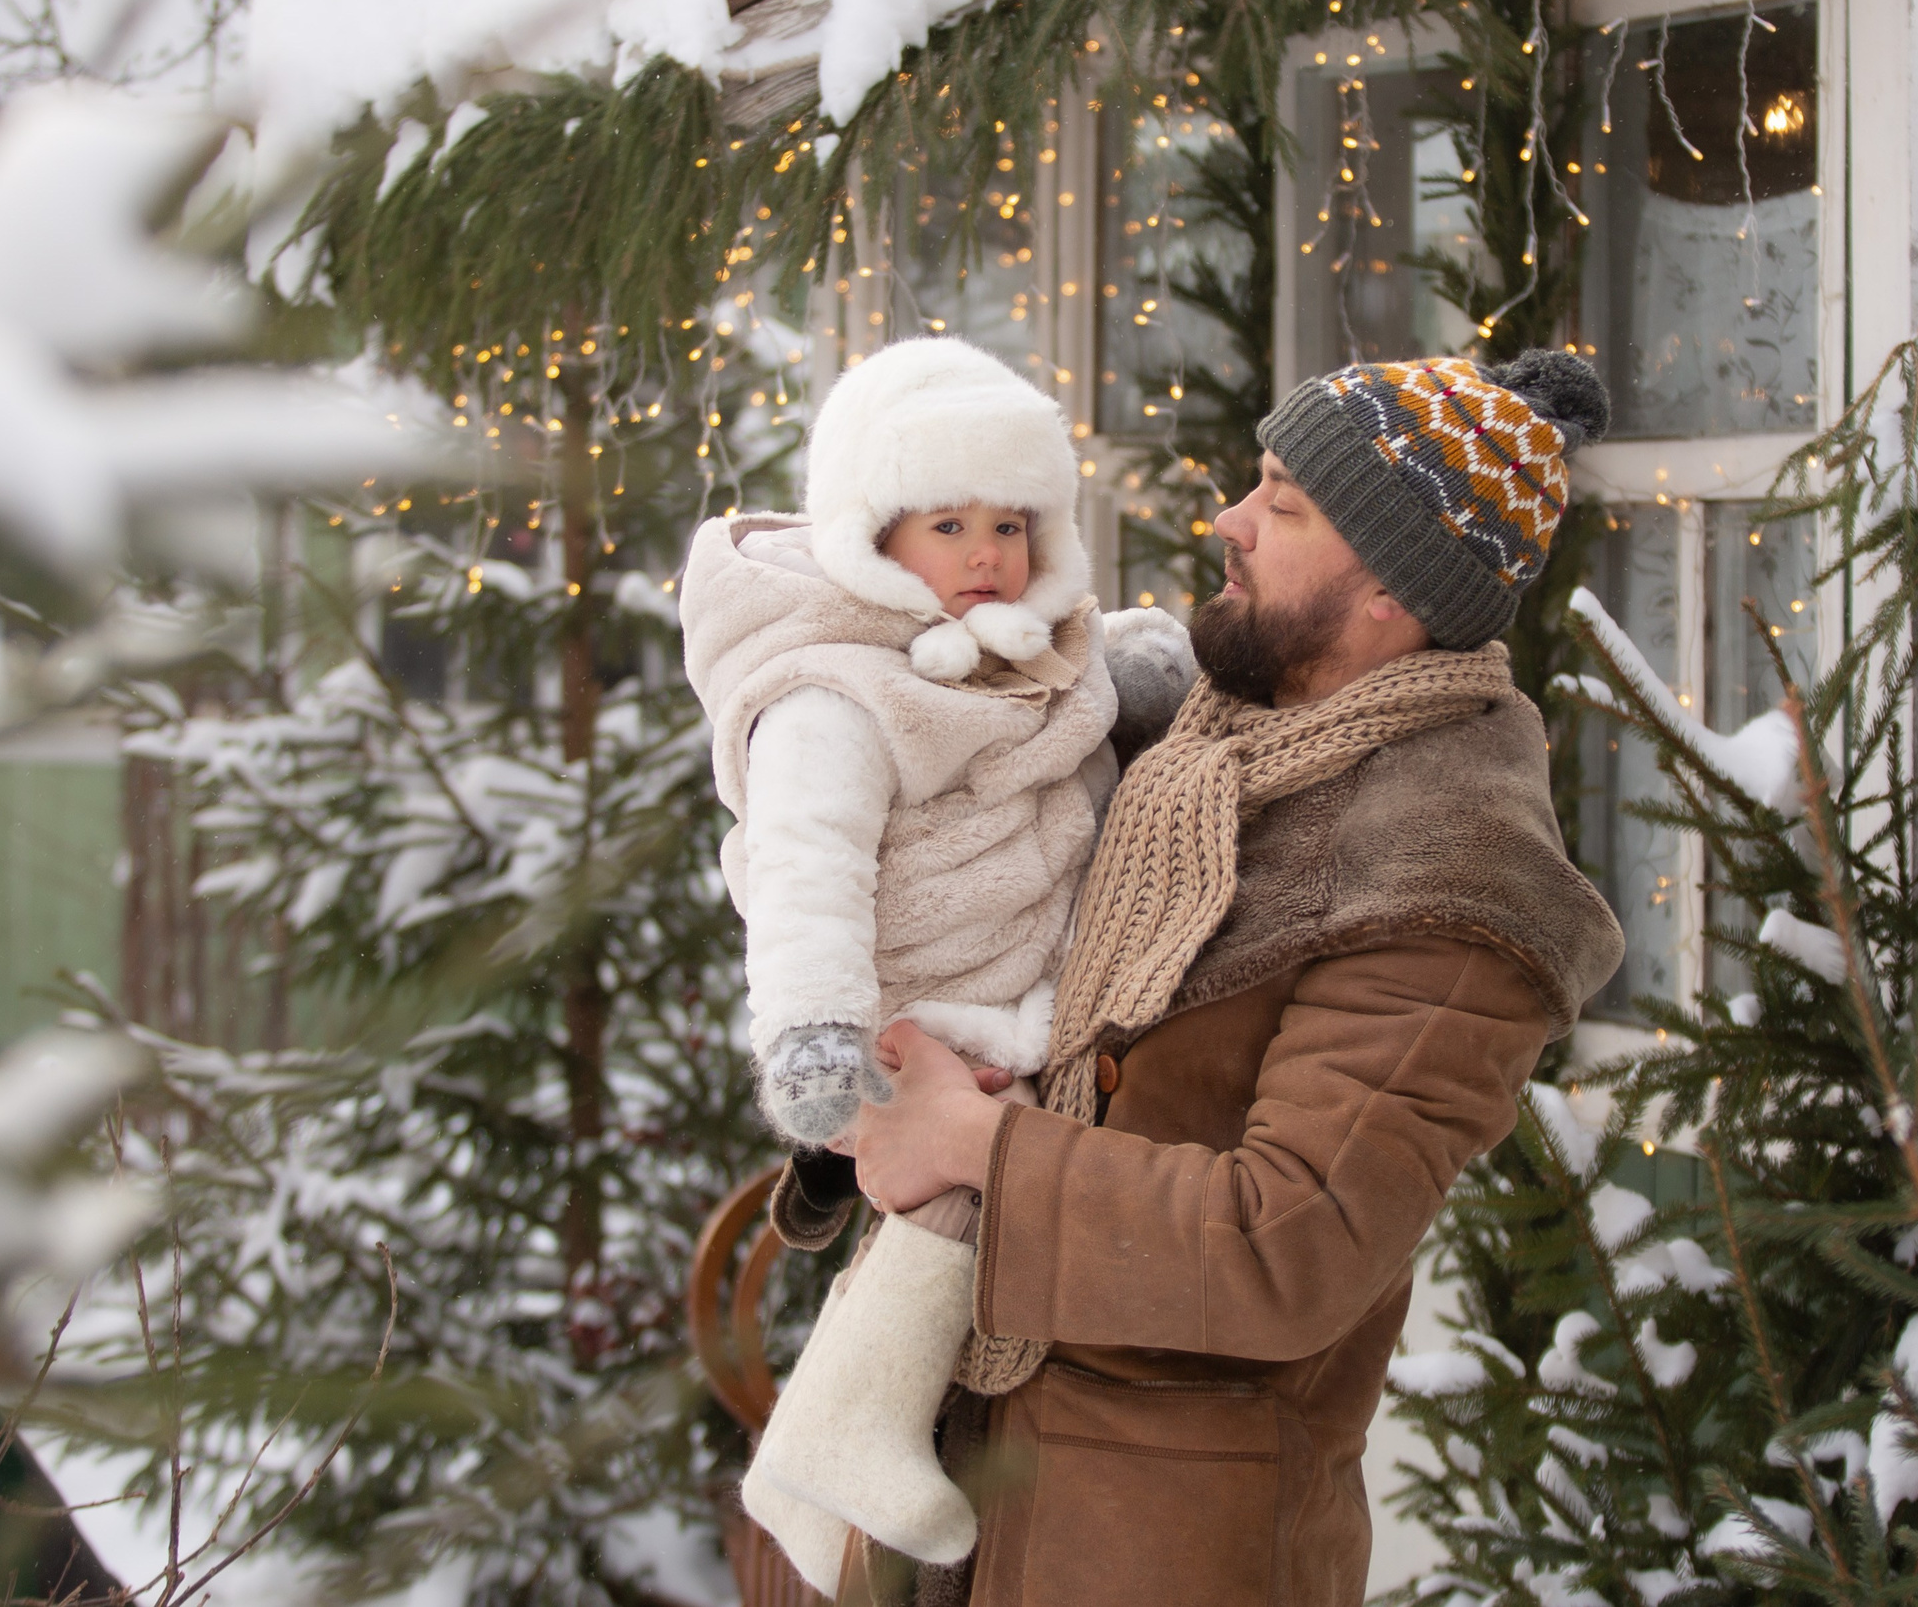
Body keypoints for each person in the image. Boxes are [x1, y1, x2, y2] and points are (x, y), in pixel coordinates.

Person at [828, 349, 1627, 1606]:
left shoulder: (1451, 878)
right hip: (968, 1479)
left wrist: (976, 1144)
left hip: (1154, 1542)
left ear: (1388, 592)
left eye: (1284, 504)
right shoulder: (1194, 742)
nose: (1229, 521)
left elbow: (1286, 1242)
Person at [678, 336, 1192, 1597]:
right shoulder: (830, 693)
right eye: (949, 522)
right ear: (869, 536)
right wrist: (811, 1031)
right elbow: (804, 868)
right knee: (969, 1176)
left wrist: (1129, 670)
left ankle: (836, 1325)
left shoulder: (1016, 645)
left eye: (1012, 522)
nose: (986, 554)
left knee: (993, 1158)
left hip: (1019, 976)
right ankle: (844, 1424)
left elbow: (1068, 700)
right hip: (913, 1007)